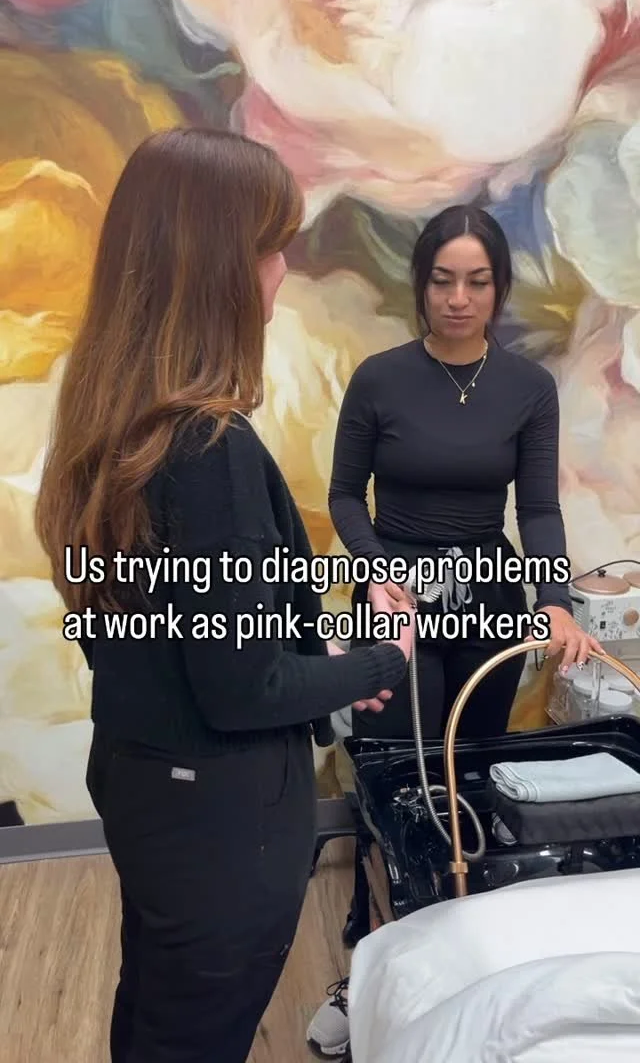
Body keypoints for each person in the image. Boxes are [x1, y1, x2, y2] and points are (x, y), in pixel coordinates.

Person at [34, 127, 416, 1063]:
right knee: (192, 1031)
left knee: (158, 1010)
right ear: (217, 269)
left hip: (144, 780)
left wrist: (327, 660)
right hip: (216, 817)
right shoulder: (208, 451)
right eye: (271, 248)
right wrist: (380, 659)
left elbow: (182, 636)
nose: (283, 272)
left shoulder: (115, 425)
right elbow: (243, 689)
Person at [306, 203, 602, 1059]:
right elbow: (343, 497)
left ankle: (460, 967)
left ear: (497, 288)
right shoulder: (379, 379)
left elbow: (537, 508)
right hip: (396, 600)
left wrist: (554, 598)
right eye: (443, 281)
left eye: (476, 282)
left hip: (486, 596)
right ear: (422, 284)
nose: (459, 298)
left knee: (468, 777)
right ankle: (368, 971)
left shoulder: (527, 388)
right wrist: (375, 570)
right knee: (400, 786)